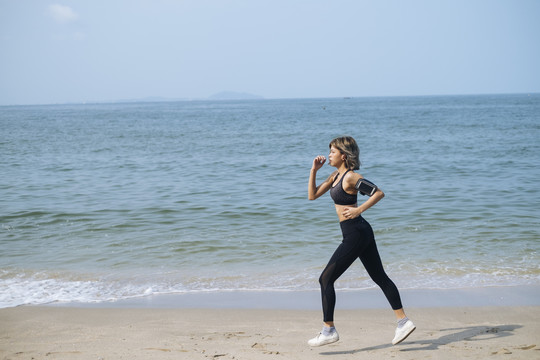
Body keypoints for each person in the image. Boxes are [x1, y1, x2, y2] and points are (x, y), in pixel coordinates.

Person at [307, 136, 415, 347]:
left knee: (325, 279)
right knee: (379, 277)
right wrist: (314, 170)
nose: (329, 154)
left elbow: (378, 193)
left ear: (344, 156)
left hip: (356, 233)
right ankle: (403, 321)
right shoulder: (334, 177)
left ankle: (328, 330)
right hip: (358, 232)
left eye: (332, 152)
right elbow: (312, 196)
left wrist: (358, 209)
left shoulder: (350, 177)